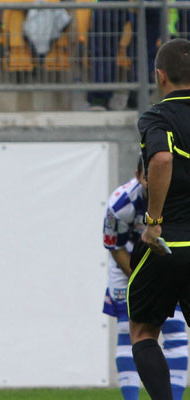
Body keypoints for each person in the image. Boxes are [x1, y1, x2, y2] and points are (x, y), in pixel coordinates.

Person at [128, 38, 190, 400]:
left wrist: (153, 222)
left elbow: (162, 159)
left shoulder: (158, 116)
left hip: (171, 241)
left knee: (143, 330)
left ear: (160, 76)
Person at [103, 157, 188, 400]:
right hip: (127, 267)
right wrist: (140, 281)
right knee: (127, 329)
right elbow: (115, 246)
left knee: (176, 332)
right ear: (139, 176)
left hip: (167, 265)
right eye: (147, 178)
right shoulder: (120, 204)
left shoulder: (177, 197)